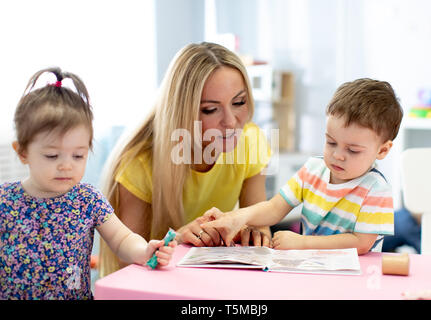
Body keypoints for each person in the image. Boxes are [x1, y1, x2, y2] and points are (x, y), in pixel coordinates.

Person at [0, 67, 176, 300]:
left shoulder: (87, 198)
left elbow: (121, 238)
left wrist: (144, 250)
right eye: (52, 156)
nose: (66, 166)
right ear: (22, 152)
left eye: (78, 156)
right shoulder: (4, 200)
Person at [98, 42, 272, 277]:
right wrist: (178, 239)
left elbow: (259, 223)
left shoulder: (251, 141)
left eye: (238, 102)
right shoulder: (140, 164)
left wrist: (249, 231)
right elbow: (126, 265)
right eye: (211, 109)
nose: (231, 121)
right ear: (183, 112)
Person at [202, 78, 404, 255]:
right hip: (313, 267)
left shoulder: (376, 188)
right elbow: (274, 208)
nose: (337, 155)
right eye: (331, 142)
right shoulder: (313, 169)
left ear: (383, 150)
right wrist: (236, 217)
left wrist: (303, 242)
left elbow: (360, 244)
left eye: (353, 150)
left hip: (355, 276)